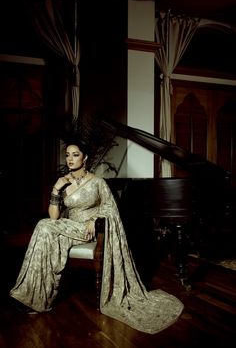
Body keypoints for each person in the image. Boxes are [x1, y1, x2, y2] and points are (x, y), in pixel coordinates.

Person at [9, 139, 184, 334]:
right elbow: (54, 217)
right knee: (46, 233)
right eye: (67, 155)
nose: (70, 159)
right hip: (67, 228)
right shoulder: (64, 183)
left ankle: (31, 296)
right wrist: (56, 189)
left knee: (43, 226)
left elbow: (111, 209)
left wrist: (96, 219)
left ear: (85, 158)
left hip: (88, 231)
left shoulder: (97, 182)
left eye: (75, 154)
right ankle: (37, 298)